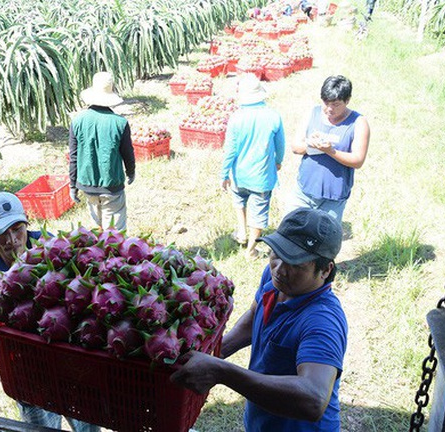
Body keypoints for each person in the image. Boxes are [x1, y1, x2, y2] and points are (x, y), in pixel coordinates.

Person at [171, 208, 348, 431]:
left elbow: (314, 399)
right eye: (277, 254)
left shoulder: (322, 321)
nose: (279, 269)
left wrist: (222, 371)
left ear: (325, 270)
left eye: (295, 263)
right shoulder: (276, 279)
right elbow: (256, 316)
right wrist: (217, 351)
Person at [0, 192, 100, 432]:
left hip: (68, 361)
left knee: (87, 425)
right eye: (1, 233)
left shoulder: (47, 244)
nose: (12, 240)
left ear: (26, 223)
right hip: (28, 372)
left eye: (17, 229)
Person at [287, 75, 370, 224]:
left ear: (347, 100)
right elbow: (295, 147)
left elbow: (358, 161)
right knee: (292, 235)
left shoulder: (358, 123)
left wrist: (331, 151)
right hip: (304, 191)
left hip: (333, 197)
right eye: (326, 103)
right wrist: (310, 145)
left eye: (336, 105)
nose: (329, 109)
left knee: (323, 242)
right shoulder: (313, 113)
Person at [222, 74, 285, 259]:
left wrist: (224, 173)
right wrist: (278, 161)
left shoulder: (236, 118)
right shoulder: (273, 116)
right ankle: (251, 250)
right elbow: (280, 145)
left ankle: (241, 232)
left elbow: (230, 150)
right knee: (259, 210)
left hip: (239, 175)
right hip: (262, 177)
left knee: (239, 201)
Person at [69, 71, 135, 231]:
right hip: (112, 184)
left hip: (87, 184)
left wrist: (73, 185)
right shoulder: (120, 123)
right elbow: (128, 153)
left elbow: (73, 157)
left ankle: (99, 253)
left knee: (96, 231)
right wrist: (131, 172)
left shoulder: (77, 121)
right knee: (114, 235)